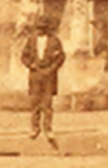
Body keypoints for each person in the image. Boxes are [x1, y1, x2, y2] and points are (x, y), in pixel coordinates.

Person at [21, 14, 65, 147]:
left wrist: (52, 69)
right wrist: (31, 65)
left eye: (43, 28)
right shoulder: (31, 40)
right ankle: (35, 128)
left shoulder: (54, 41)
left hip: (49, 76)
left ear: (47, 29)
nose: (40, 31)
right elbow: (24, 56)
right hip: (35, 75)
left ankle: (48, 129)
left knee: (47, 104)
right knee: (34, 103)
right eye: (38, 28)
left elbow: (61, 57)